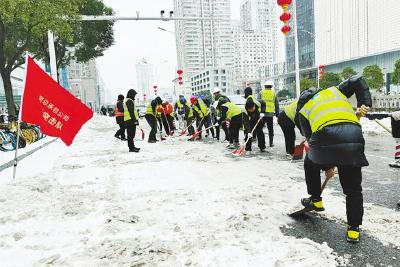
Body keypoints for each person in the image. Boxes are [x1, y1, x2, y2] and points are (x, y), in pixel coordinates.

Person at [296, 75, 372, 242]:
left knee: (310, 162)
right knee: (353, 189)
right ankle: (353, 230)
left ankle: (315, 200)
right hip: (354, 138)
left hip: (325, 139)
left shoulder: (304, 110)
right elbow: (358, 79)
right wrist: (364, 104)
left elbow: (312, 141)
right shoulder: (336, 91)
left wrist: (326, 165)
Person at [244, 87, 266, 152]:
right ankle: (248, 149)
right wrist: (248, 132)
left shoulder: (256, 102)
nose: (251, 110)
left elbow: (264, 103)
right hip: (250, 119)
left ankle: (262, 147)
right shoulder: (245, 110)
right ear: (247, 108)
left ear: (254, 105)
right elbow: (246, 122)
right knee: (248, 134)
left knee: (260, 132)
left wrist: (262, 112)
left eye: (252, 108)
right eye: (250, 109)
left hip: (258, 116)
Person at [259, 81, 279, 147]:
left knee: (260, 129)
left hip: (262, 114)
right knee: (270, 129)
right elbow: (277, 104)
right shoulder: (274, 93)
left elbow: (257, 102)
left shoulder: (261, 92)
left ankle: (262, 143)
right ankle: (271, 143)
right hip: (270, 114)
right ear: (271, 86)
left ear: (265, 86)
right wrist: (277, 114)